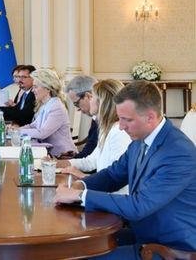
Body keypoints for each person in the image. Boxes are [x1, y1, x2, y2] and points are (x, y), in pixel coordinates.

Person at [54, 81, 196, 258]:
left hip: (170, 248)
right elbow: (113, 175)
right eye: (120, 118)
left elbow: (139, 205)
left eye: (127, 120)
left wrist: (80, 196)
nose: (121, 126)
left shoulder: (178, 152)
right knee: (71, 246)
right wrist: (80, 185)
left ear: (150, 117)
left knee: (80, 256)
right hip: (142, 232)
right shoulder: (140, 138)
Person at [58, 79, 132, 194]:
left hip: (111, 198)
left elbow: (117, 181)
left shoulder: (119, 132)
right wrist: (58, 164)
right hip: (103, 193)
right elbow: (91, 161)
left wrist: (84, 180)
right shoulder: (106, 128)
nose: (90, 100)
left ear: (102, 101)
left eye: (92, 97)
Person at [18, 69, 76, 157]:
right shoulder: (46, 104)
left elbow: (42, 133)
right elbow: (33, 126)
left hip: (63, 156)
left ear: (48, 88)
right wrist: (16, 130)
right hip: (49, 154)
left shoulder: (56, 106)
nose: (32, 90)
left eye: (35, 87)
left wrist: (19, 132)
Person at [65, 75, 99, 158]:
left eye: (77, 103)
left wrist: (71, 160)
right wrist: (74, 157)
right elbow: (90, 150)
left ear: (88, 96)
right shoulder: (95, 118)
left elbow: (90, 155)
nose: (78, 109)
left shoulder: (103, 120)